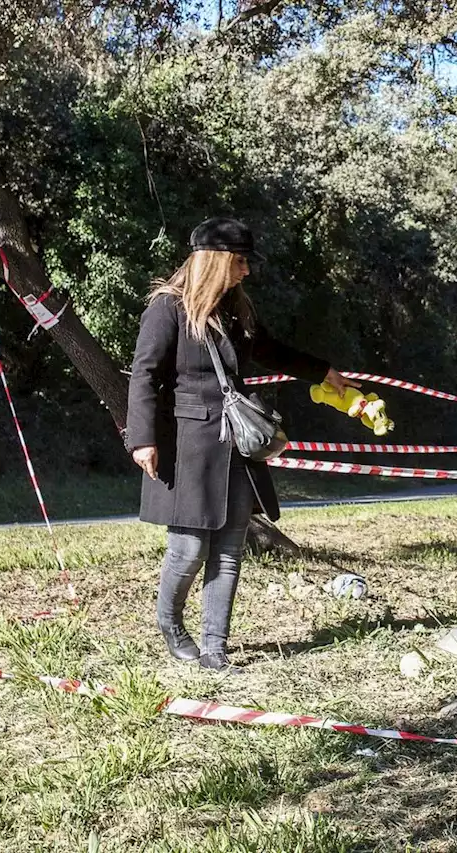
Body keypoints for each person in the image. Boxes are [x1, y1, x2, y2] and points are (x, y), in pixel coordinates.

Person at [126, 217, 356, 673]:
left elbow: (272, 350)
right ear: (216, 261)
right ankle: (170, 624)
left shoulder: (236, 310)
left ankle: (216, 648)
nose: (247, 271)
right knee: (189, 549)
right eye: (241, 261)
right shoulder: (166, 309)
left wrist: (323, 370)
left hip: (236, 445)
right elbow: (144, 374)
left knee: (230, 548)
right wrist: (143, 439)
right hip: (186, 446)